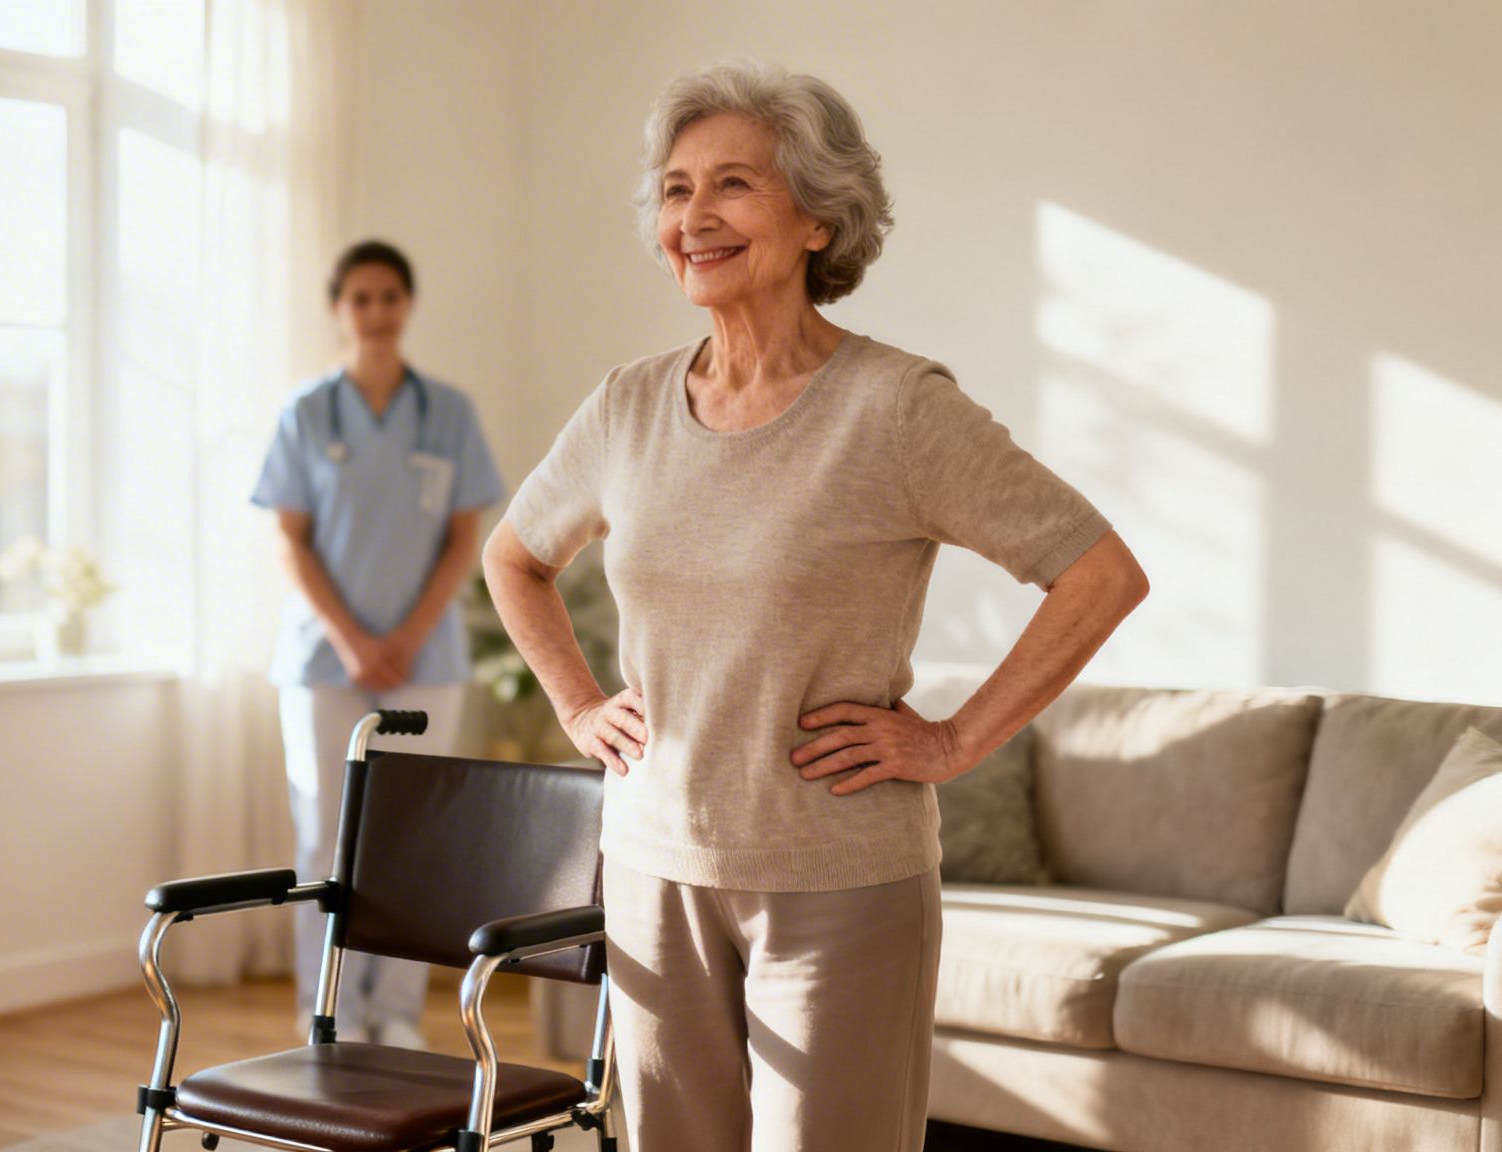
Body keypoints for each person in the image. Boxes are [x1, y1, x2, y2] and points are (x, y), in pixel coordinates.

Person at [482, 62, 1149, 1151]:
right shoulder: (625, 407)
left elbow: (1098, 573)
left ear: (817, 218)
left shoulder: (895, 409)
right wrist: (575, 707)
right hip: (654, 864)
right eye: (672, 189)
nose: (691, 217)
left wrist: (954, 738)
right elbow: (512, 559)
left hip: (839, 881)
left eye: (732, 185)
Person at [252, 239, 505, 1050]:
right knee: (324, 829)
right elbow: (291, 540)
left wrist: (404, 636)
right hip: (327, 661)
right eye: (359, 298)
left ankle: (397, 1011)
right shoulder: (307, 413)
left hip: (424, 658)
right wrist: (355, 640)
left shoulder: (449, 414)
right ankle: (327, 1005)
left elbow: (466, 539)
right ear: (339, 310)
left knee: (415, 836)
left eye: (388, 295)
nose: (375, 311)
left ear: (408, 304)